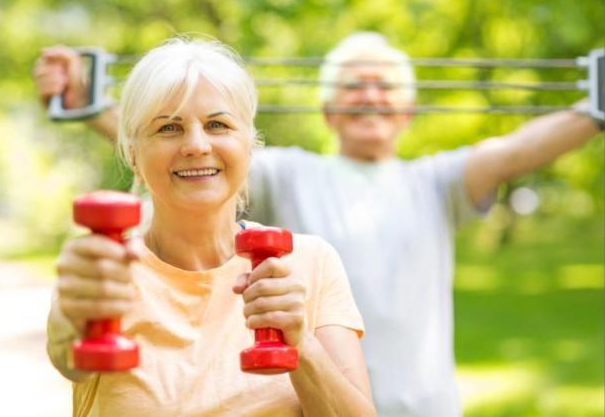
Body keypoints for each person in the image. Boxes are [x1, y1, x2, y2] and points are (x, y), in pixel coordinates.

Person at [36, 32, 603, 417]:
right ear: (327, 111)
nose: (198, 142)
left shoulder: (435, 180)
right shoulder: (289, 172)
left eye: (385, 88)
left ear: (408, 110)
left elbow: (515, 151)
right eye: (354, 86)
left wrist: (595, 109)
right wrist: (89, 103)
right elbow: (187, 148)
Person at [46, 37, 376, 416]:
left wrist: (300, 343)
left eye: (217, 124)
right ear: (134, 154)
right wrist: (70, 317)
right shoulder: (106, 270)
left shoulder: (309, 262)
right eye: (169, 128)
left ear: (249, 147)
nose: (197, 145)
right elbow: (67, 352)